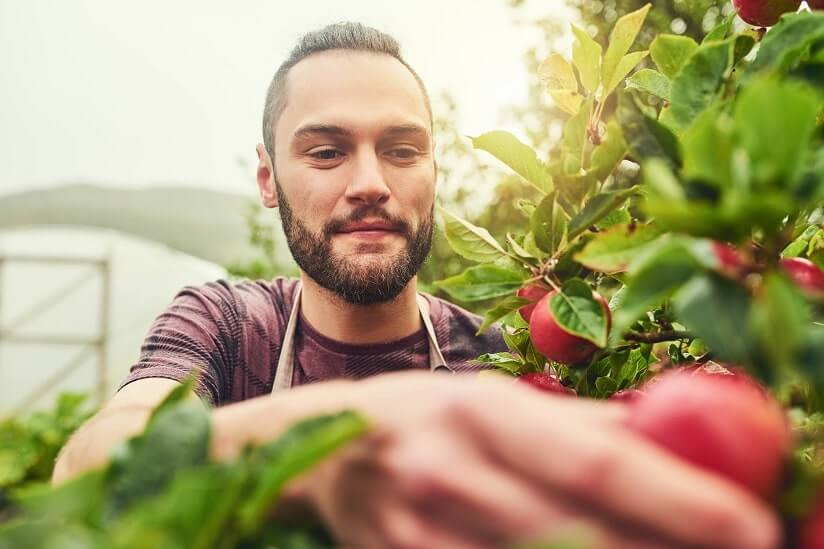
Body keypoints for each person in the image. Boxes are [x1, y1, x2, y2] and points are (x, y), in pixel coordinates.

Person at [53, 22, 780, 549]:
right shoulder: (227, 323)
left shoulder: (498, 359)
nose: (370, 183)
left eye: (402, 149)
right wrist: (328, 449)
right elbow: (95, 461)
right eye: (327, 150)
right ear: (269, 179)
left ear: (433, 172)